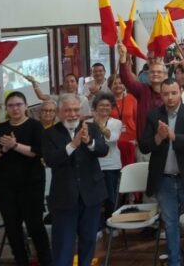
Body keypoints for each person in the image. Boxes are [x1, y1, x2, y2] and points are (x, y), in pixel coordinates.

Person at [139, 78, 184, 266]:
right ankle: (174, 262)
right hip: (165, 181)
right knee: (170, 225)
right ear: (161, 95)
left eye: (173, 93)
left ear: (181, 93)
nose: (170, 98)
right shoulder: (154, 116)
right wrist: (158, 138)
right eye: (166, 94)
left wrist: (174, 137)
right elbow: (144, 146)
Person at [0, 92, 52, 266]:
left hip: (31, 183)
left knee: (35, 226)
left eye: (19, 104)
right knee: (12, 228)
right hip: (5, 185)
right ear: (7, 109)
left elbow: (38, 151)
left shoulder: (35, 127)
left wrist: (14, 145)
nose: (15, 108)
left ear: (26, 106)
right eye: (11, 105)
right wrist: (3, 150)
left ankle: (46, 261)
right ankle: (21, 261)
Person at [42, 94, 108, 266]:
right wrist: (73, 145)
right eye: (67, 110)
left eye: (76, 110)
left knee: (88, 241)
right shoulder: (50, 133)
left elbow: (103, 150)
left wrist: (90, 142)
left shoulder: (91, 128)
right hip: (64, 197)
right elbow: (51, 160)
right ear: (58, 112)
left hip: (91, 195)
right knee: (64, 244)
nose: (72, 114)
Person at [117, 43, 166, 148]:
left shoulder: (170, 92)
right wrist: (122, 58)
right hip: (146, 144)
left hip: (167, 143)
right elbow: (127, 80)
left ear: (165, 75)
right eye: (152, 72)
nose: (155, 74)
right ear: (148, 75)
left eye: (158, 72)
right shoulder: (143, 90)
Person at [88, 92, 122, 232]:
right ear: (95, 107)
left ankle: (111, 225)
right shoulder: (87, 123)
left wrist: (101, 127)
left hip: (112, 165)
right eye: (101, 105)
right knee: (94, 199)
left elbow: (112, 139)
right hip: (93, 165)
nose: (104, 107)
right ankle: (97, 226)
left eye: (108, 105)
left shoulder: (116, 122)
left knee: (111, 198)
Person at [108, 74, 138, 167]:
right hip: (113, 141)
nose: (118, 86)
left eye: (120, 83)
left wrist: (137, 139)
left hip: (130, 140)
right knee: (116, 167)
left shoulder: (132, 98)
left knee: (130, 168)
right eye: (114, 83)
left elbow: (137, 119)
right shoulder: (107, 101)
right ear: (110, 86)